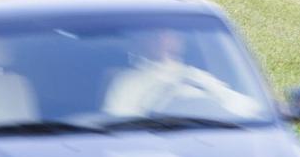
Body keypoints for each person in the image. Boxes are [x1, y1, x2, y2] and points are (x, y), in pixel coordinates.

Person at [102, 28, 261, 119]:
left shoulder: (197, 76)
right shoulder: (127, 81)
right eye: (156, 34)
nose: (164, 39)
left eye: (170, 33)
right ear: (141, 41)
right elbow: (117, 123)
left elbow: (244, 106)